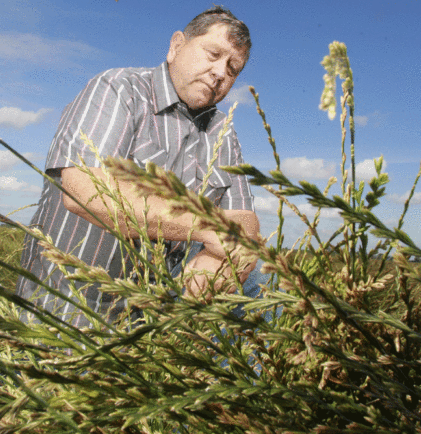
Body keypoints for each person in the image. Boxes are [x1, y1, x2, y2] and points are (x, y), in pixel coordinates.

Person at [16, 6, 260, 328]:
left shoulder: (223, 132)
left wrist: (223, 262)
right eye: (212, 54)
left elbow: (244, 221)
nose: (219, 73)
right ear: (175, 46)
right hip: (70, 304)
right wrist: (209, 229)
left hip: (155, 313)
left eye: (233, 69)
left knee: (258, 284)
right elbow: (84, 191)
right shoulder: (120, 89)